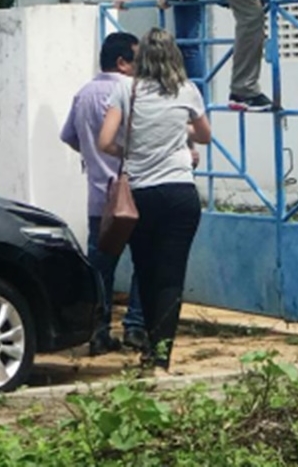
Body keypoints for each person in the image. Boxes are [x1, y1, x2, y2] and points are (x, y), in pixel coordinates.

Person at [97, 27, 211, 374]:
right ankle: (162, 357)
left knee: (146, 271)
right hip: (180, 193)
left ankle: (148, 349)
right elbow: (204, 135)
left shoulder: (125, 90)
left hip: (141, 195)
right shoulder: (187, 90)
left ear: (142, 57)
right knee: (171, 276)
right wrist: (180, 131)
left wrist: (127, 152)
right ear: (174, 55)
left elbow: (104, 142)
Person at [60, 32, 148, 355]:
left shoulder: (83, 94)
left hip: (99, 198)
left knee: (100, 269)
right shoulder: (130, 92)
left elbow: (68, 136)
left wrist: (94, 159)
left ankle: (98, 331)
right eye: (137, 60)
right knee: (146, 261)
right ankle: (136, 327)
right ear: (123, 63)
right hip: (134, 194)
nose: (142, 67)